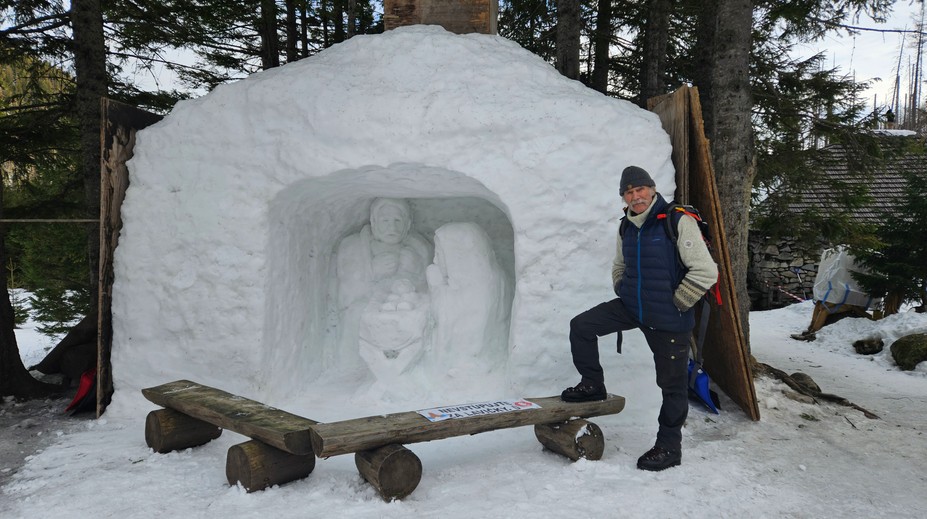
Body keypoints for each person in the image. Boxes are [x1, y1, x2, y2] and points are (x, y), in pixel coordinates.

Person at [561, 165, 718, 472]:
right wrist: (621, 286)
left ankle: (669, 447)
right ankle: (593, 384)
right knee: (582, 326)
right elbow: (619, 265)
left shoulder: (677, 221)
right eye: (629, 192)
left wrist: (680, 301)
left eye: (640, 190)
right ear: (624, 196)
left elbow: (706, 271)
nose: (635, 196)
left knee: (672, 386)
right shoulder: (626, 227)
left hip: (670, 319)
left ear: (653, 189)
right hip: (633, 307)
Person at [335, 198, 432, 365]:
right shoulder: (353, 247)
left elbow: (431, 289)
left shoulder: (420, 248)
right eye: (385, 220)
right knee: (356, 314)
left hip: (406, 308)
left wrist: (417, 271)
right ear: (373, 221)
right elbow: (344, 295)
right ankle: (355, 365)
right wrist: (371, 271)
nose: (392, 227)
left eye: (397, 221)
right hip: (369, 308)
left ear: (408, 224)